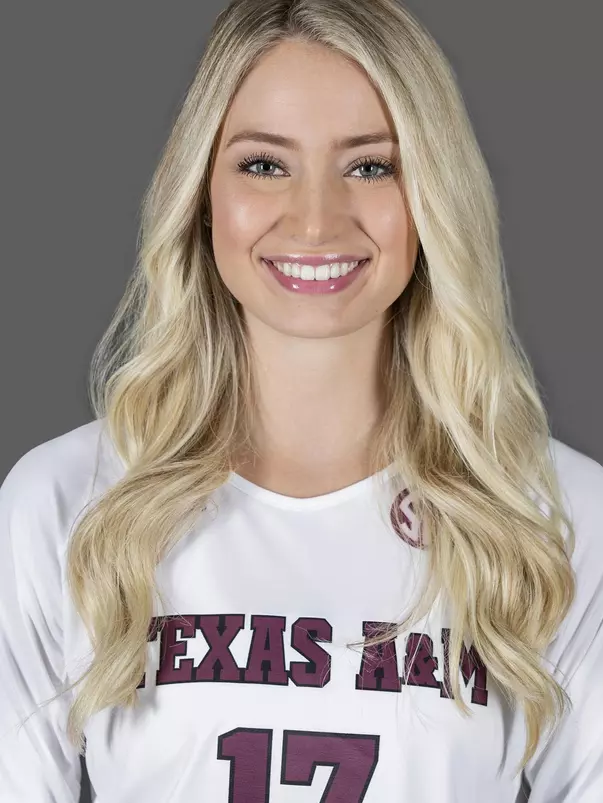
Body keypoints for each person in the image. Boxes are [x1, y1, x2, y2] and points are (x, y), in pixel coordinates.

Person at [1, 0, 602, 800]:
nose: (315, 221)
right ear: (201, 193)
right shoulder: (65, 501)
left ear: (432, 194)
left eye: (369, 165)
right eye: (262, 164)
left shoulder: (555, 515)